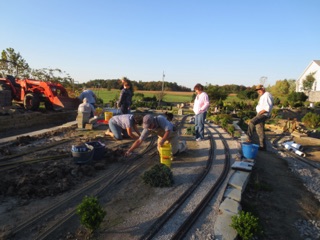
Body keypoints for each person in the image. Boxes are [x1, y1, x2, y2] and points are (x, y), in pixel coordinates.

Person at [246, 84, 274, 151]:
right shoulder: (263, 96)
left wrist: (259, 114)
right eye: (257, 90)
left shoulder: (266, 95)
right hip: (261, 114)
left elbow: (267, 108)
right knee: (260, 130)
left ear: (263, 88)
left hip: (263, 114)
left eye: (259, 89)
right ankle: (263, 147)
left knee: (252, 122)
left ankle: (248, 138)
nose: (258, 91)